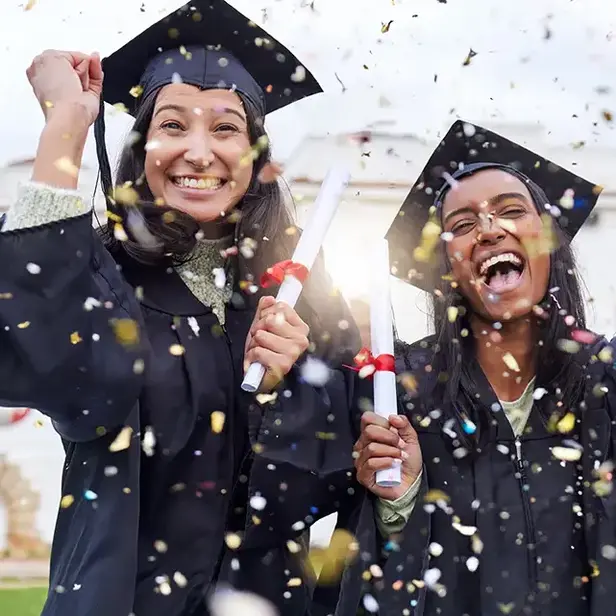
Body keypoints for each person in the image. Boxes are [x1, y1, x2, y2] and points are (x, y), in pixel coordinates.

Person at [0, 1, 364, 615]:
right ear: (142, 147)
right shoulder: (101, 274)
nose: (199, 152)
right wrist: (66, 124)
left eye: (225, 129)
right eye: (172, 125)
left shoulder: (300, 292)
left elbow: (337, 477)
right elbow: (45, 359)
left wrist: (287, 388)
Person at [346, 120, 616, 616]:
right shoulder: (403, 395)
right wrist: (399, 503)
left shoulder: (609, 382)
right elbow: (373, 572)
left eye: (512, 211)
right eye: (464, 224)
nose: (490, 229)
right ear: (448, 266)